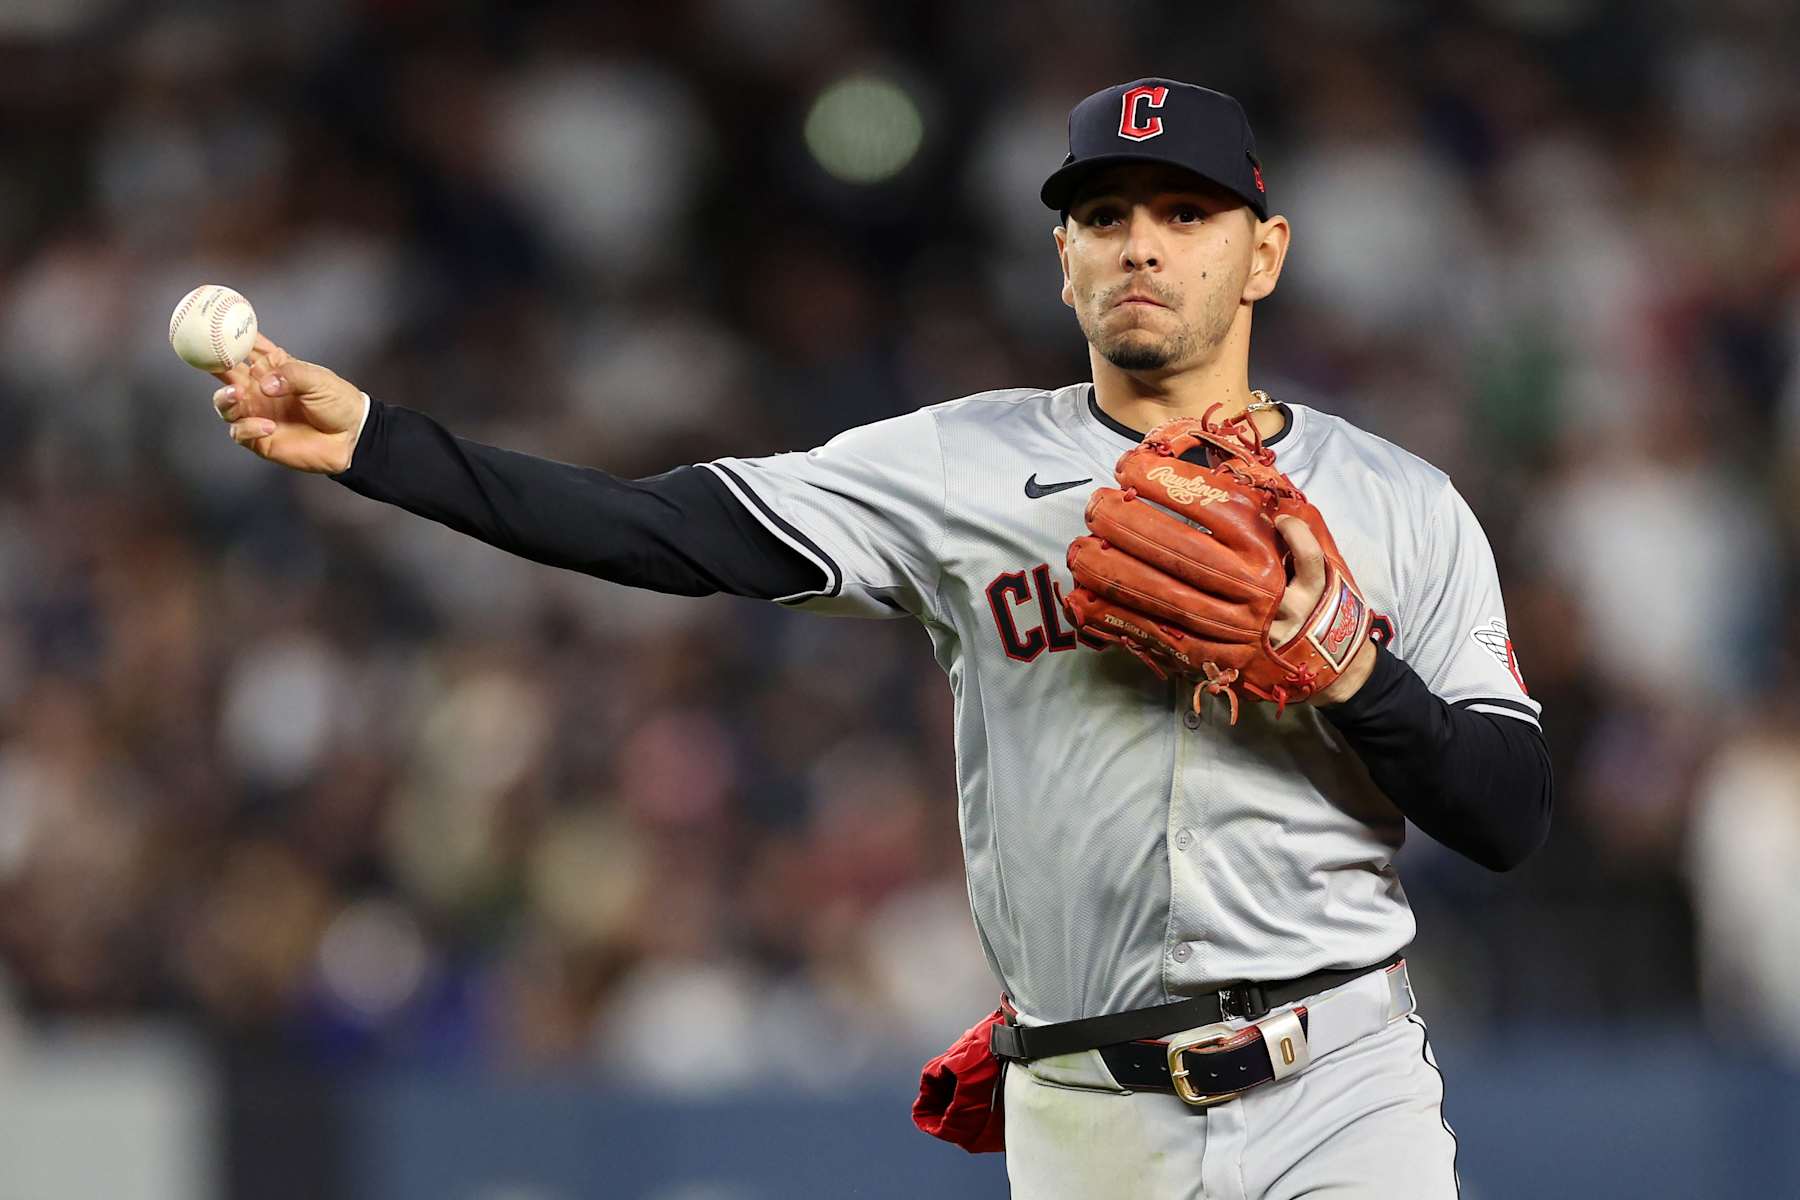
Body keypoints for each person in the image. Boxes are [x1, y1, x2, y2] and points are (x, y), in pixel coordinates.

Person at [208, 78, 1551, 1199]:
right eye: (1102, 215)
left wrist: (1352, 673)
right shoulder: (958, 466)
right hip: (1090, 1110)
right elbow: (663, 530)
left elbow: (1504, 812)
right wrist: (382, 446)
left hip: (1338, 1080)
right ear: (1063, 260)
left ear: (1262, 253)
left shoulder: (1395, 504)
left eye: (1186, 212)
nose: (1140, 243)